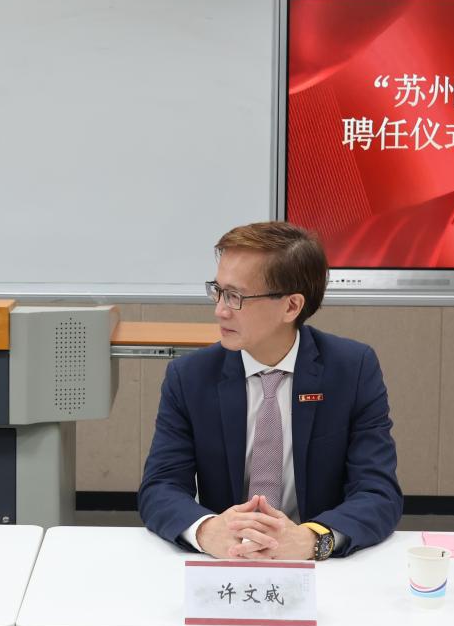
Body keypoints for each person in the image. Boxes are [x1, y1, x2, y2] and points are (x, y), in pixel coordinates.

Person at [138, 221, 401, 560]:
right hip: (225, 561)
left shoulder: (352, 370)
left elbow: (378, 493)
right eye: (218, 291)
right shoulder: (190, 377)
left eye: (236, 296)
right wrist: (207, 530)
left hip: (317, 566)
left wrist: (312, 539)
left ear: (291, 306)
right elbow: (160, 487)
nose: (220, 310)